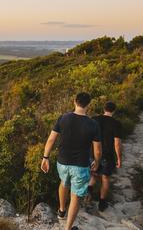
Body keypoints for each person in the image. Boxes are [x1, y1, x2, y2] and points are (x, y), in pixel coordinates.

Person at [41, 92, 101, 230]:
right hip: (81, 165)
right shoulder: (93, 124)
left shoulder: (63, 118)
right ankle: (68, 228)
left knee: (64, 183)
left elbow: (51, 139)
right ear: (88, 105)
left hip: (62, 162)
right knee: (75, 197)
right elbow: (97, 150)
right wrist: (97, 162)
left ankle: (61, 211)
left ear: (75, 101)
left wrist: (45, 158)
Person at [89, 101, 123, 211]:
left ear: (104, 109)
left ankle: (87, 193)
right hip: (107, 155)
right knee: (105, 178)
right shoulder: (116, 124)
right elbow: (117, 143)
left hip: (93, 153)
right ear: (114, 111)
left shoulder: (94, 119)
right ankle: (102, 203)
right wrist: (119, 158)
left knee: (94, 174)